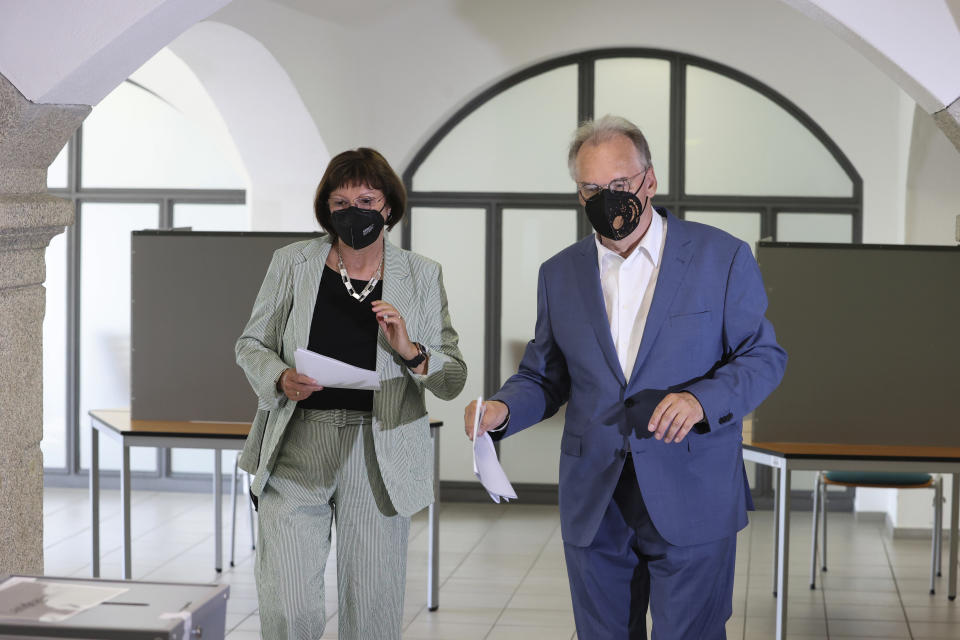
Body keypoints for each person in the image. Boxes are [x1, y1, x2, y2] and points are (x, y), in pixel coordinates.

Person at [465, 115, 787, 639]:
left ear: (649, 181)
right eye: (592, 187)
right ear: (578, 194)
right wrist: (501, 410)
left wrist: (701, 402)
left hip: (693, 488)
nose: (607, 198)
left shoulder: (720, 256)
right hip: (596, 497)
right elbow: (544, 376)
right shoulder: (560, 273)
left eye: (619, 185)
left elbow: (763, 356)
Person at [236, 147, 467, 640]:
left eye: (366, 198)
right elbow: (251, 343)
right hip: (299, 442)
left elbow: (452, 378)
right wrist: (278, 376)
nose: (353, 211)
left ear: (387, 207)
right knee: (288, 608)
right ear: (326, 210)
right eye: (340, 202)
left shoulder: (421, 275)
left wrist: (411, 351)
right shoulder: (292, 262)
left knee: (371, 613)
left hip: (377, 453)